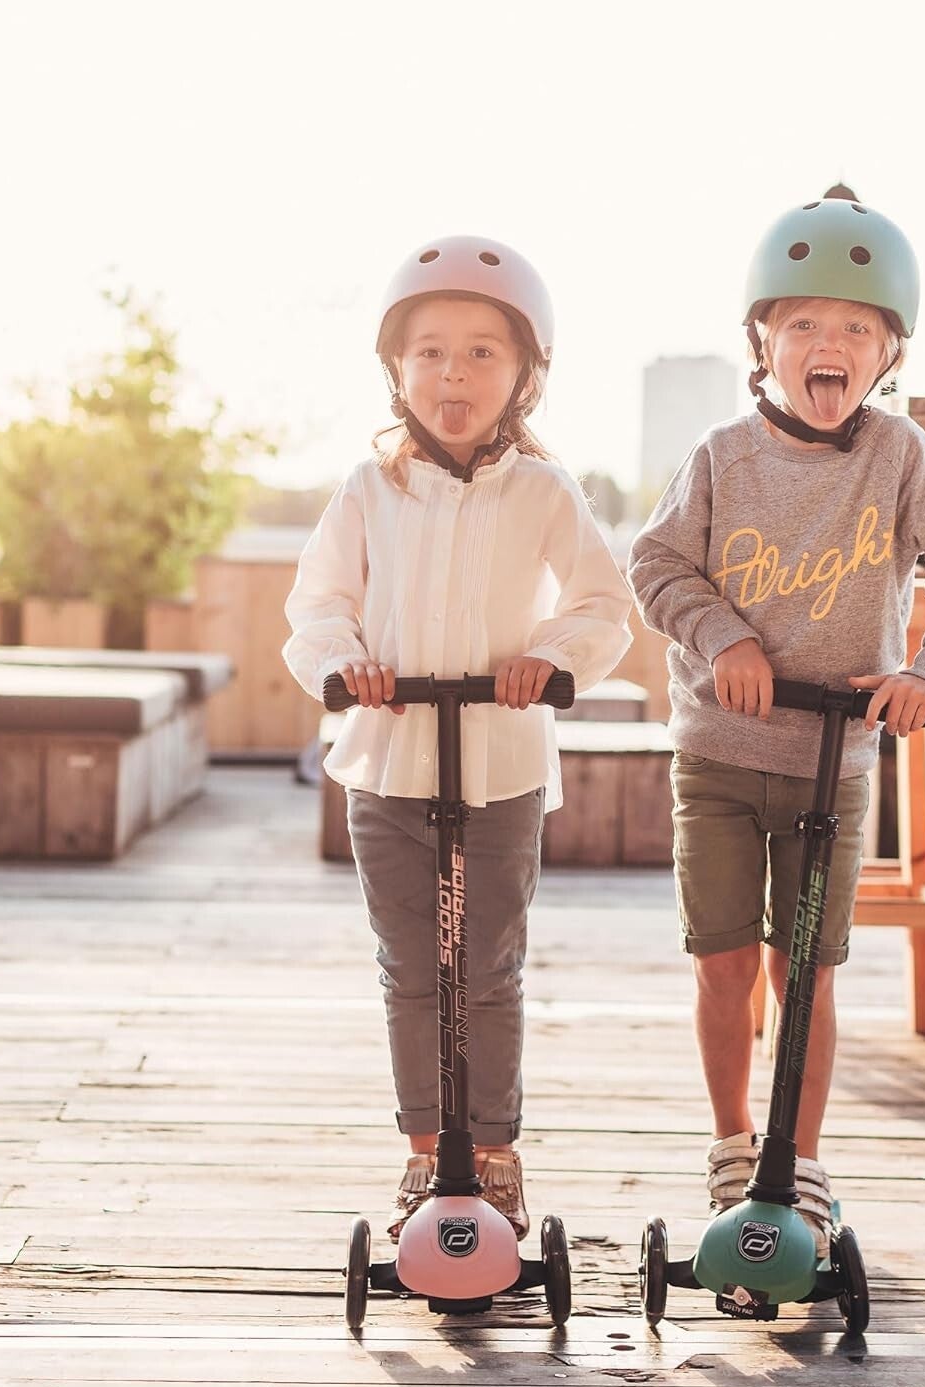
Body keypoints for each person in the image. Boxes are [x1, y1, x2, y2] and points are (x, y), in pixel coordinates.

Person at [628, 192, 925, 1254]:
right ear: (763, 342)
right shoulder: (722, 457)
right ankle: (731, 1144)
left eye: (854, 327)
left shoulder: (904, 460)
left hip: (832, 763)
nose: (827, 344)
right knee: (723, 964)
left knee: (807, 973)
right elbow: (657, 565)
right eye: (802, 323)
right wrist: (724, 639)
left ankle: (794, 1165)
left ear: (889, 353)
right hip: (718, 756)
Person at [284, 236, 632, 1240]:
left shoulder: (544, 491)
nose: (454, 374)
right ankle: (424, 1151)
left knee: (486, 968)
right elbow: (318, 604)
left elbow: (603, 603)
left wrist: (550, 658)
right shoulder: (369, 487)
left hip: (500, 765)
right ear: (396, 368)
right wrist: (346, 664)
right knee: (410, 969)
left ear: (524, 375)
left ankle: (495, 1156)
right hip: (388, 762)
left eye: (482, 353)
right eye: (430, 351)